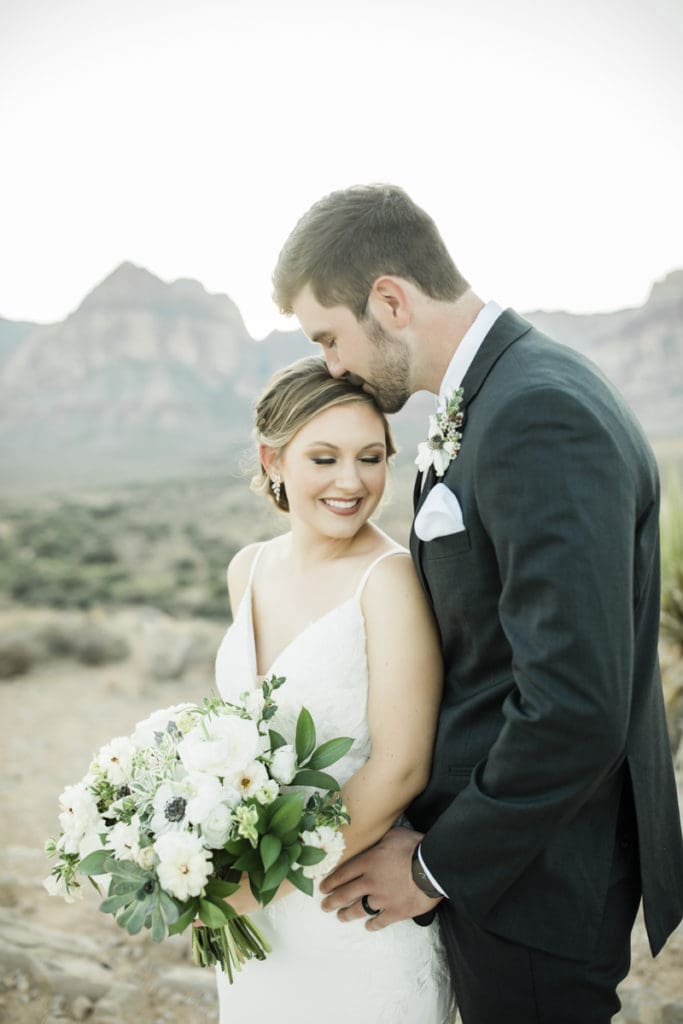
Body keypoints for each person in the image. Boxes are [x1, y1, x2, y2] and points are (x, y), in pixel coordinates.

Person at [271, 184, 683, 1023]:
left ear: (388, 299)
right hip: (512, 865)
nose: (332, 367)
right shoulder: (498, 394)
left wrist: (432, 866)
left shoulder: (537, 411)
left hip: (535, 875)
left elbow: (574, 703)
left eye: (329, 336)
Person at [213, 356, 455, 1023]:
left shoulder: (390, 579)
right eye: (324, 458)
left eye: (370, 457)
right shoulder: (247, 570)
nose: (351, 482)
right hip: (261, 927)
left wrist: (263, 880)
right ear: (272, 459)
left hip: (349, 912)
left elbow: (401, 767)